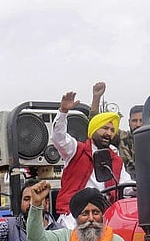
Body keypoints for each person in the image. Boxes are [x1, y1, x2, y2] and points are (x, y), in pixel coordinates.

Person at [52, 90, 133, 228]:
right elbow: (58, 138)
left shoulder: (116, 160)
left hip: (104, 218)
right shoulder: (75, 150)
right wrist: (63, 112)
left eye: (112, 130)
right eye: (104, 128)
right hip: (73, 218)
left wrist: (139, 189)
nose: (108, 133)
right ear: (93, 129)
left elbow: (125, 186)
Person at [90, 82, 143, 179]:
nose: (138, 124)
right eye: (134, 121)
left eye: (141, 121)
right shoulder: (122, 137)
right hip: (126, 184)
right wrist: (96, 98)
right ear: (129, 122)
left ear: (149, 121)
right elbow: (97, 125)